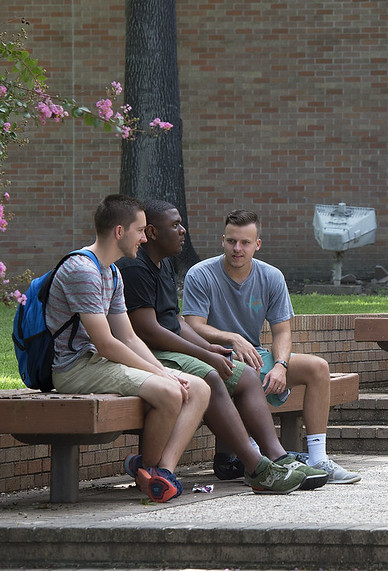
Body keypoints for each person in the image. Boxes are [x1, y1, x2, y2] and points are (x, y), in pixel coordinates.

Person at [116, 200, 323, 494]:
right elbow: (148, 330)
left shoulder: (163, 263)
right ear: (151, 231)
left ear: (257, 244)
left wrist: (210, 349)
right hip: (151, 353)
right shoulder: (136, 268)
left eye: (245, 242)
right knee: (212, 378)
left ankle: (279, 458)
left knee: (246, 375)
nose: (183, 230)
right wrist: (206, 353)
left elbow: (174, 321)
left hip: (174, 349)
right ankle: (257, 468)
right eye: (175, 225)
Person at [46, 194, 211, 503]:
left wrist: (163, 371)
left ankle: (162, 471)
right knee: (170, 392)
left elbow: (129, 337)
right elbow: (106, 343)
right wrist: (162, 376)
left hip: (98, 364)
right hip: (75, 368)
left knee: (198, 388)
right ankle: (146, 472)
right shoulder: (83, 270)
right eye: (140, 230)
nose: (144, 237)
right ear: (120, 232)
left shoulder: (112, 272)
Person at [182, 209, 361, 484]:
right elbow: (193, 325)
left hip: (256, 356)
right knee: (246, 375)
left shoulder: (271, 276)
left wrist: (281, 365)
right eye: (231, 241)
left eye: (245, 242)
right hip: (215, 359)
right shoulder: (201, 274)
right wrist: (232, 338)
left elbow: (282, 331)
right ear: (222, 240)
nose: (237, 249)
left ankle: (318, 458)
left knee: (317, 368)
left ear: (258, 244)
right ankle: (258, 459)